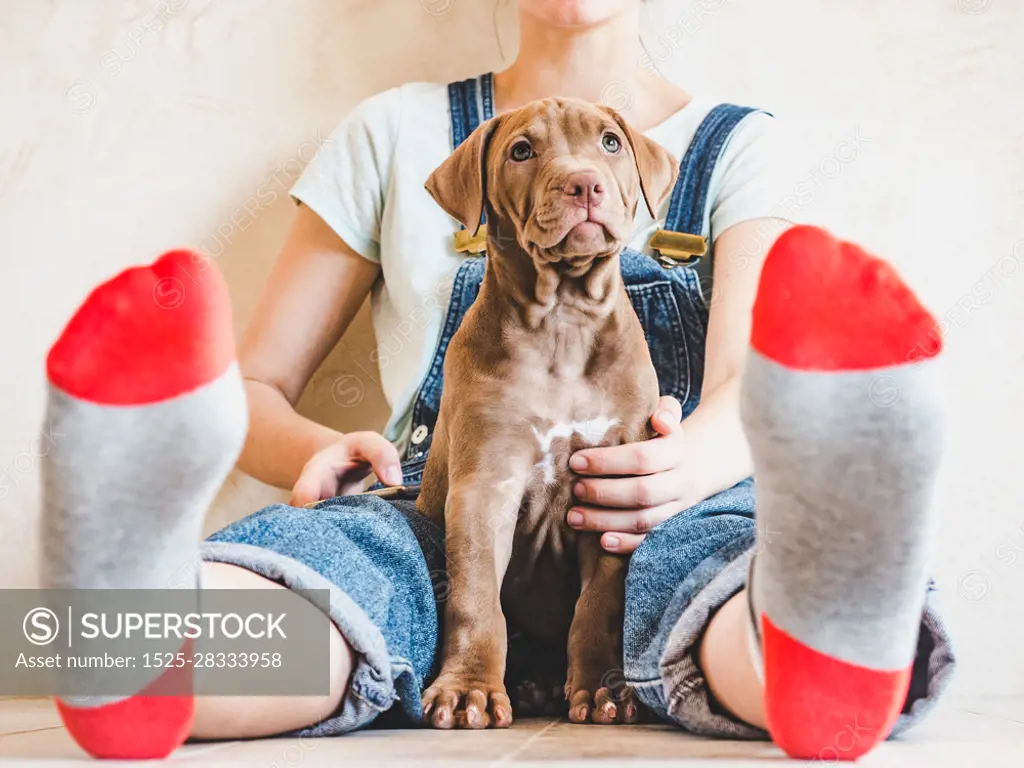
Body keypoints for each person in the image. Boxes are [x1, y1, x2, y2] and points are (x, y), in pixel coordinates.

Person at [39, 0, 954, 760]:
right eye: (530, 159)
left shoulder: (737, 145)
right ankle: (133, 640)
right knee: (354, 565)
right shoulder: (393, 130)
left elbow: (750, 390)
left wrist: (675, 470)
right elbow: (258, 387)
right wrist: (325, 450)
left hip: (669, 508)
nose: (578, 177)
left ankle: (820, 642)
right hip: (432, 507)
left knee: (714, 560)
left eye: (604, 156)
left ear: (636, 176)